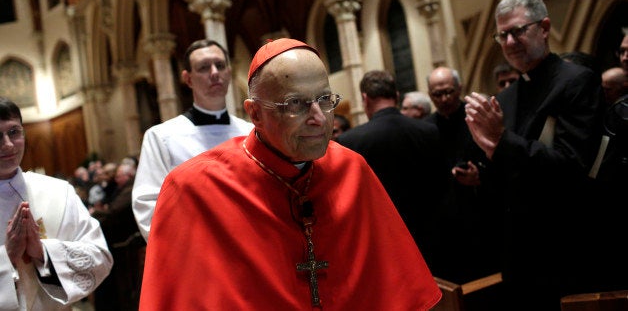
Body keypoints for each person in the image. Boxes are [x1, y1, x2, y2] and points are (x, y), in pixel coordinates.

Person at [139, 38, 441, 310]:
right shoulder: (194, 187)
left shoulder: (352, 169)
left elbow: (395, 290)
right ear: (255, 113)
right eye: (296, 104)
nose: (319, 119)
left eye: (325, 100)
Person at [464, 0, 605, 309]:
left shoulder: (576, 81)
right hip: (517, 250)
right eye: (503, 35)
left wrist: (499, 140)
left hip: (564, 247)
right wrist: (485, 161)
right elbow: (505, 178)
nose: (510, 42)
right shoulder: (508, 96)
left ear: (544, 28)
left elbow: (570, 168)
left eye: (518, 31)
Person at [132, 39, 254, 241]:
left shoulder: (250, 132)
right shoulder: (162, 137)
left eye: (220, 65)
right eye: (204, 68)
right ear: (188, 79)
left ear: (229, 72)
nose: (214, 72)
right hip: (196, 250)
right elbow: (148, 206)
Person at [0, 97, 113, 310]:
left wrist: (44, 252)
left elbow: (100, 256)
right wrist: (7, 258)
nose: (7, 144)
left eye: (14, 132)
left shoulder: (59, 192)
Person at [336, 70, 446, 261]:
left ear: (365, 98)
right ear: (396, 96)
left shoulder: (350, 141)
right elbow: (443, 184)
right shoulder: (428, 130)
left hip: (384, 242)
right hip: (432, 235)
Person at [424, 67, 502, 303]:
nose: (444, 99)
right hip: (445, 222)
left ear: (459, 89)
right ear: (430, 95)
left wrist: (481, 176)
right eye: (437, 95)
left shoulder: (477, 119)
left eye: (449, 92)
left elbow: (502, 160)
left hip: (483, 214)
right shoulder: (425, 128)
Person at [92, 162, 143, 311]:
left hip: (125, 245)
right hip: (117, 242)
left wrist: (96, 213)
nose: (116, 179)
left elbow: (114, 211)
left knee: (126, 287)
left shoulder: (130, 188)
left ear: (129, 175)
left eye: (119, 176)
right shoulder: (122, 188)